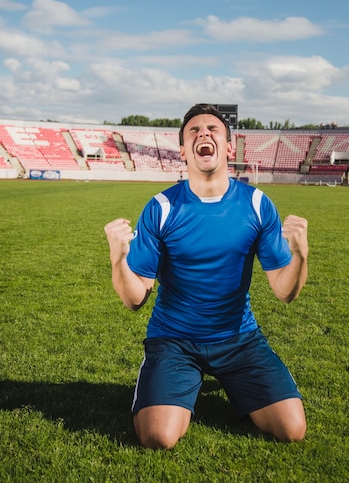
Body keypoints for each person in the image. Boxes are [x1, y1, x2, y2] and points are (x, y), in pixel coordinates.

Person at [104, 103, 309, 450]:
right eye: (194, 131)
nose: (204, 134)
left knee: (292, 429)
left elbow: (284, 291)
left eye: (213, 129)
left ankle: (219, 382)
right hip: (175, 340)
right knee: (158, 437)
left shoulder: (257, 204)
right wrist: (118, 260)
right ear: (183, 150)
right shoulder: (162, 208)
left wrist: (301, 256)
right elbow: (134, 298)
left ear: (229, 147)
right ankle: (173, 381)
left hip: (239, 338)